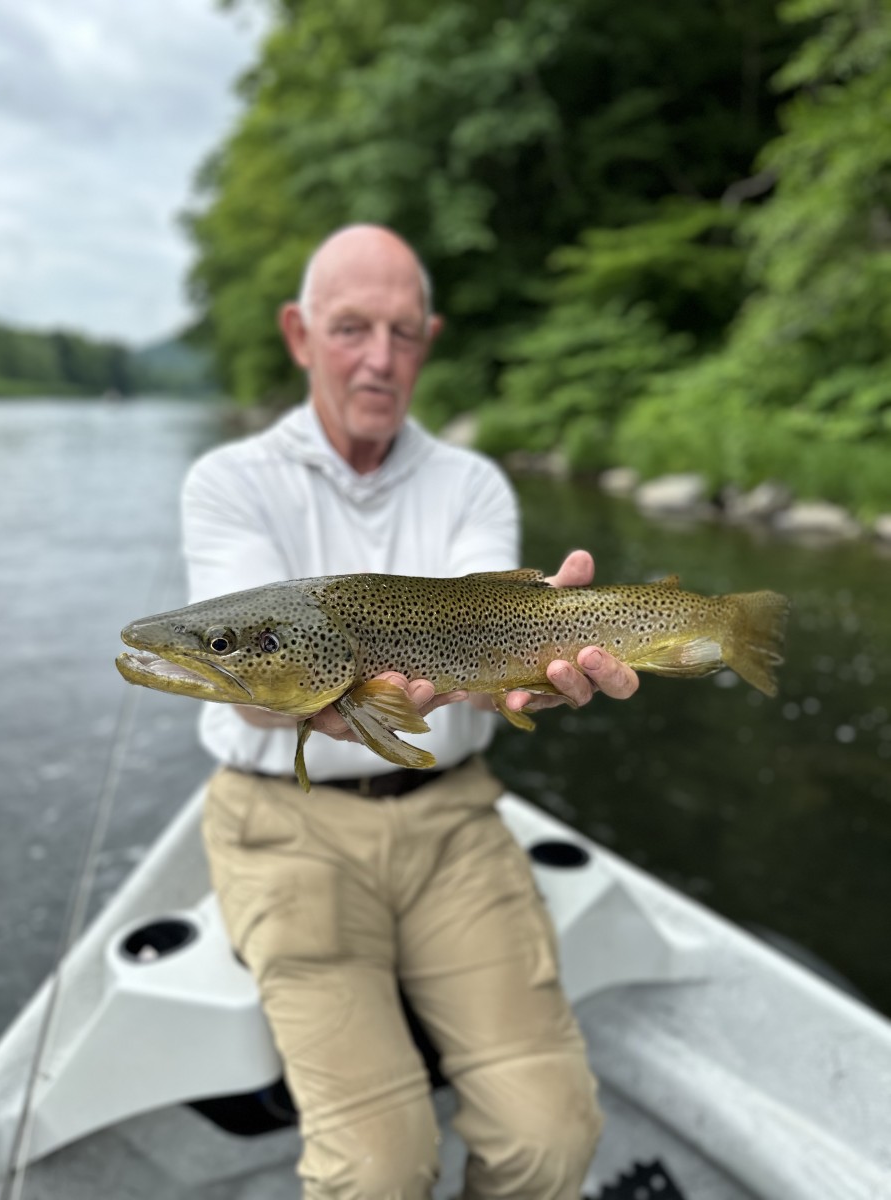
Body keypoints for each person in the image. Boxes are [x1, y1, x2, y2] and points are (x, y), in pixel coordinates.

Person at [181, 224, 639, 1200]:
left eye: (401, 332)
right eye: (351, 329)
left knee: (553, 1141)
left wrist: (544, 658)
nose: (380, 358)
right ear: (300, 334)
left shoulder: (473, 481)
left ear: (427, 340)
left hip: (450, 816)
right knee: (378, 1175)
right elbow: (252, 678)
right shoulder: (226, 483)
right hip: (282, 828)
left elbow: (494, 640)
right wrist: (328, 706)